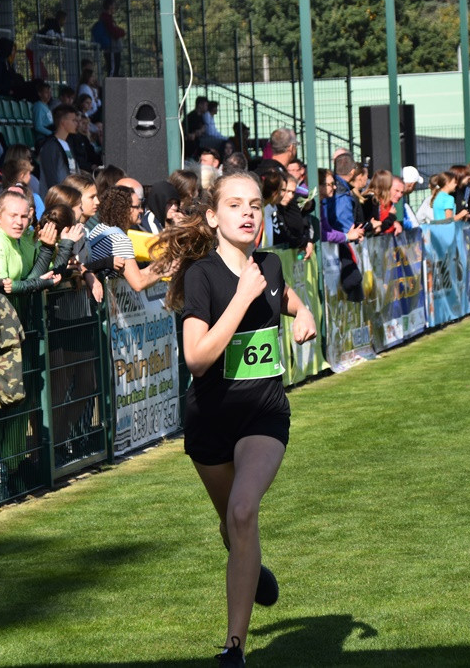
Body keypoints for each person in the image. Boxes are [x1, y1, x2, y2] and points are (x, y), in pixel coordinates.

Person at [151, 172, 316, 667]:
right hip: (210, 423)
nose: (248, 213)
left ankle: (233, 649)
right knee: (231, 526)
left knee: (244, 512)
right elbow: (197, 357)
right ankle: (254, 567)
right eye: (236, 205)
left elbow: (282, 295)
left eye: (256, 205)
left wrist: (302, 311)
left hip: (264, 414)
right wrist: (242, 296)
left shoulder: (270, 264)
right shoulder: (201, 275)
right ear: (213, 217)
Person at [87, 185, 164, 292]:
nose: (141, 210)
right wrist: (163, 272)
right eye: (137, 207)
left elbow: (133, 273)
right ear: (123, 210)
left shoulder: (101, 228)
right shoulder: (120, 240)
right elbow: (138, 283)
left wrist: (160, 266)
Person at [38, 105, 81, 195]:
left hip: (70, 196)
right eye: (73, 120)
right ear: (63, 122)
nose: (77, 123)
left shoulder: (67, 144)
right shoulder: (50, 147)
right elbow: (50, 177)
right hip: (58, 199)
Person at [93, 0, 125, 77]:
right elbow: (114, 32)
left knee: (115, 70)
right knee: (112, 71)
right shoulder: (106, 18)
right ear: (110, 6)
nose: (115, 7)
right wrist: (122, 32)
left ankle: (114, 86)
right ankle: (110, 88)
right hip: (111, 49)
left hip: (113, 49)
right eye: (114, 5)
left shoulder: (108, 18)